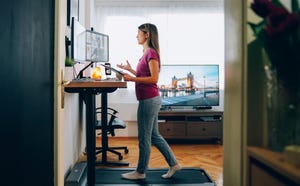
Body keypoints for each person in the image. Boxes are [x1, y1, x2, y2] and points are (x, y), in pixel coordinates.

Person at [117, 23, 181, 180]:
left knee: (144, 138)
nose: (136, 36)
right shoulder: (146, 53)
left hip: (149, 100)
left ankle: (140, 172)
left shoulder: (151, 53)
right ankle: (174, 164)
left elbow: (153, 78)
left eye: (138, 33)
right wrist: (130, 70)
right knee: (154, 136)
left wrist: (132, 78)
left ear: (147, 35)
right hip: (149, 99)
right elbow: (143, 73)